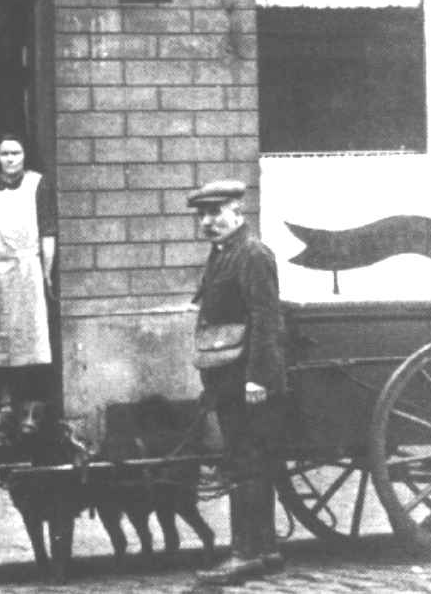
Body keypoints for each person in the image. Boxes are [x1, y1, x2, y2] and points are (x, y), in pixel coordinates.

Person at [186, 179, 287, 585]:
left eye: (216, 213)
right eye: (202, 215)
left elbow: (266, 318)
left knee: (247, 462)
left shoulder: (252, 254)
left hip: (249, 379)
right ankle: (265, 550)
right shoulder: (223, 253)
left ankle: (247, 553)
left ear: (238, 213)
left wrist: (258, 378)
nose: (208, 222)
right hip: (228, 377)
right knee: (246, 460)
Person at [0, 132, 57, 415]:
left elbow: (47, 232)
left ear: (25, 155)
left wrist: (46, 272)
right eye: (4, 154)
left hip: (26, 272)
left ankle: (27, 410)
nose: (10, 159)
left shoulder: (38, 184)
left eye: (15, 153)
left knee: (27, 342)